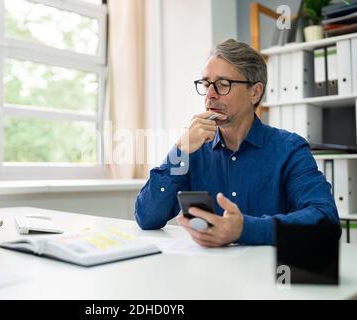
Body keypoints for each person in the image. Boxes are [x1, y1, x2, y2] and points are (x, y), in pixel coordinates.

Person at [134, 39, 340, 247]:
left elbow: (325, 220)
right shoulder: (192, 150)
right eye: (206, 84)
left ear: (255, 92)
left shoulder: (290, 149)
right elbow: (147, 218)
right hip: (207, 273)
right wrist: (179, 150)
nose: (210, 95)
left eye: (223, 84)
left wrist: (244, 229)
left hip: (272, 275)